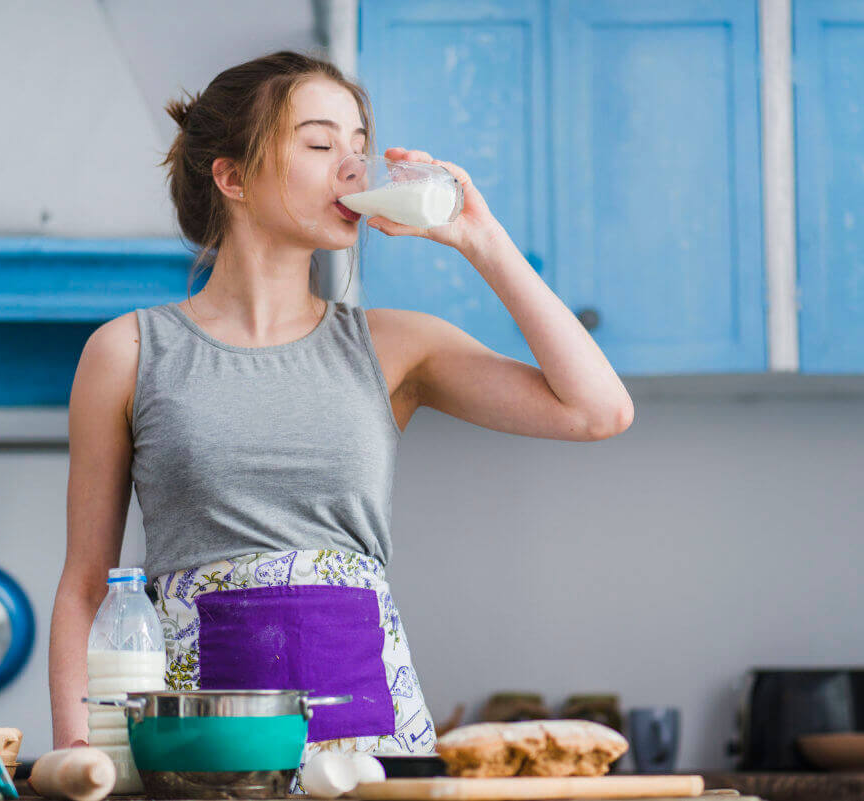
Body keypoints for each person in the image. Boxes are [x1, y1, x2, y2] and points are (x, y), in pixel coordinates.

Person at [49, 50, 633, 763]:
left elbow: (598, 411)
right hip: (197, 755)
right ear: (231, 176)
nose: (355, 167)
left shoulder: (396, 346)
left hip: (376, 756)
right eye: (321, 144)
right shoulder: (129, 352)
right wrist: (79, 750)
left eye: (359, 146)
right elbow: (86, 588)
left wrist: (481, 238)